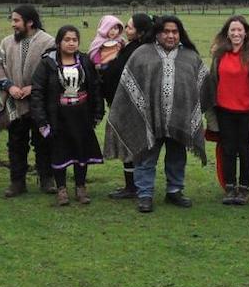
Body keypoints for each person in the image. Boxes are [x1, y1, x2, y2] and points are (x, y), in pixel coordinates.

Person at [105, 15, 214, 213]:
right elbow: (129, 85)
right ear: (157, 33)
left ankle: (175, 190)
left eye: (175, 32)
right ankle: (144, 194)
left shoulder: (190, 56)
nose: (170, 36)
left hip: (179, 119)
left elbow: (203, 85)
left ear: (180, 34)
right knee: (145, 157)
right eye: (166, 31)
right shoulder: (142, 54)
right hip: (148, 119)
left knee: (177, 156)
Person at [31, 26, 105, 206]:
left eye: (74, 40)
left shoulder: (85, 62)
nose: (71, 43)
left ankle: (81, 188)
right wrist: (42, 121)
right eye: (67, 39)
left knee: (81, 152)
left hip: (82, 117)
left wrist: (97, 112)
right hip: (58, 118)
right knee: (59, 153)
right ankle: (62, 189)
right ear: (58, 42)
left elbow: (95, 87)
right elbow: (38, 92)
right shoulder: (47, 64)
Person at [206, 15, 249, 205]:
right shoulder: (219, 54)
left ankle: (243, 189)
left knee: (244, 150)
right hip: (224, 110)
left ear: (245, 32)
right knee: (227, 149)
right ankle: (229, 188)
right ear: (227, 33)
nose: (236, 33)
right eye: (232, 30)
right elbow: (212, 81)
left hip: (247, 112)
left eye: (239, 30)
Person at [0, 5, 55, 197]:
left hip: (39, 103)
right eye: (12, 20)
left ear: (30, 22)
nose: (13, 25)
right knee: (16, 142)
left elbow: (53, 70)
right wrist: (9, 86)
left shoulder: (48, 42)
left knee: (43, 141)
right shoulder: (6, 43)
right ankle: (17, 182)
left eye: (16, 21)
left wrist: (33, 88)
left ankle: (46, 179)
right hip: (14, 102)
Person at [102, 13, 153, 199]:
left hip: (134, 108)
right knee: (127, 146)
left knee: (132, 146)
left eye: (130, 27)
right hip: (121, 104)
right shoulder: (130, 46)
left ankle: (135, 187)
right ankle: (132, 185)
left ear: (140, 32)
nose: (126, 29)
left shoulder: (141, 51)